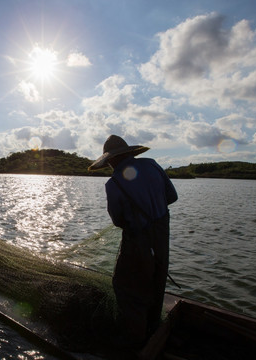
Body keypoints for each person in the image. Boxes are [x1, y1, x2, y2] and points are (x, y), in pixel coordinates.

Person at [89, 135, 178, 348]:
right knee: (157, 282)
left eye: (109, 161)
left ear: (112, 160)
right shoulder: (152, 165)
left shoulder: (114, 184)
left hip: (137, 242)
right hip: (161, 237)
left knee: (127, 288)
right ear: (130, 153)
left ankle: (136, 343)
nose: (110, 165)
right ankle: (153, 330)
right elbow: (172, 197)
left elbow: (118, 221)